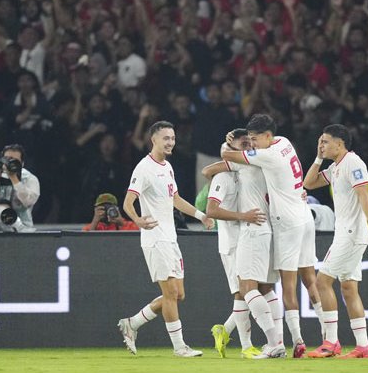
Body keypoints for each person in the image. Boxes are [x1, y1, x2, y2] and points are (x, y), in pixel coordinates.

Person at [221, 113, 323, 358]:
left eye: (255, 139)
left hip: (286, 223)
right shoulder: (284, 143)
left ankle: (293, 341)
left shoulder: (268, 155)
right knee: (310, 279)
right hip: (304, 216)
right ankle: (330, 338)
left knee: (286, 287)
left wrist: (229, 144)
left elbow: (227, 156)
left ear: (268, 136)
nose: (253, 143)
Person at [116, 121, 213, 358]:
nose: (170, 142)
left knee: (178, 295)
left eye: (172, 138)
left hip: (170, 238)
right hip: (155, 238)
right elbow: (128, 202)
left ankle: (132, 323)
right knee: (170, 294)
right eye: (165, 138)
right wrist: (138, 220)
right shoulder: (143, 168)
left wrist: (201, 216)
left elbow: (176, 199)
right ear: (154, 140)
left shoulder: (167, 167)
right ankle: (180, 347)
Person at [303, 124, 368, 359]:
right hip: (346, 232)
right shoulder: (335, 167)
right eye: (320, 142)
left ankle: (331, 342)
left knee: (322, 282)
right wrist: (318, 158)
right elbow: (309, 183)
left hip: (350, 233)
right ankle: (363, 346)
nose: (322, 145)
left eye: (325, 142)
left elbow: (364, 197)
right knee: (348, 288)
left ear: (340, 144)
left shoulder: (353, 163)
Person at [203, 132, 285, 360]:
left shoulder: (250, 167)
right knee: (245, 291)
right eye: (244, 144)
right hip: (233, 242)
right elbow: (210, 203)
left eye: (251, 143)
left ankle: (269, 341)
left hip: (252, 235)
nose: (249, 147)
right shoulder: (224, 176)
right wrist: (242, 216)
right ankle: (247, 344)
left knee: (257, 289)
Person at [0, 144, 40, 232]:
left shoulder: (30, 178)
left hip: (23, 231)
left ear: (22, 163)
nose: (10, 163)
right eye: (7, 159)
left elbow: (28, 202)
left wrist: (14, 179)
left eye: (15, 161)